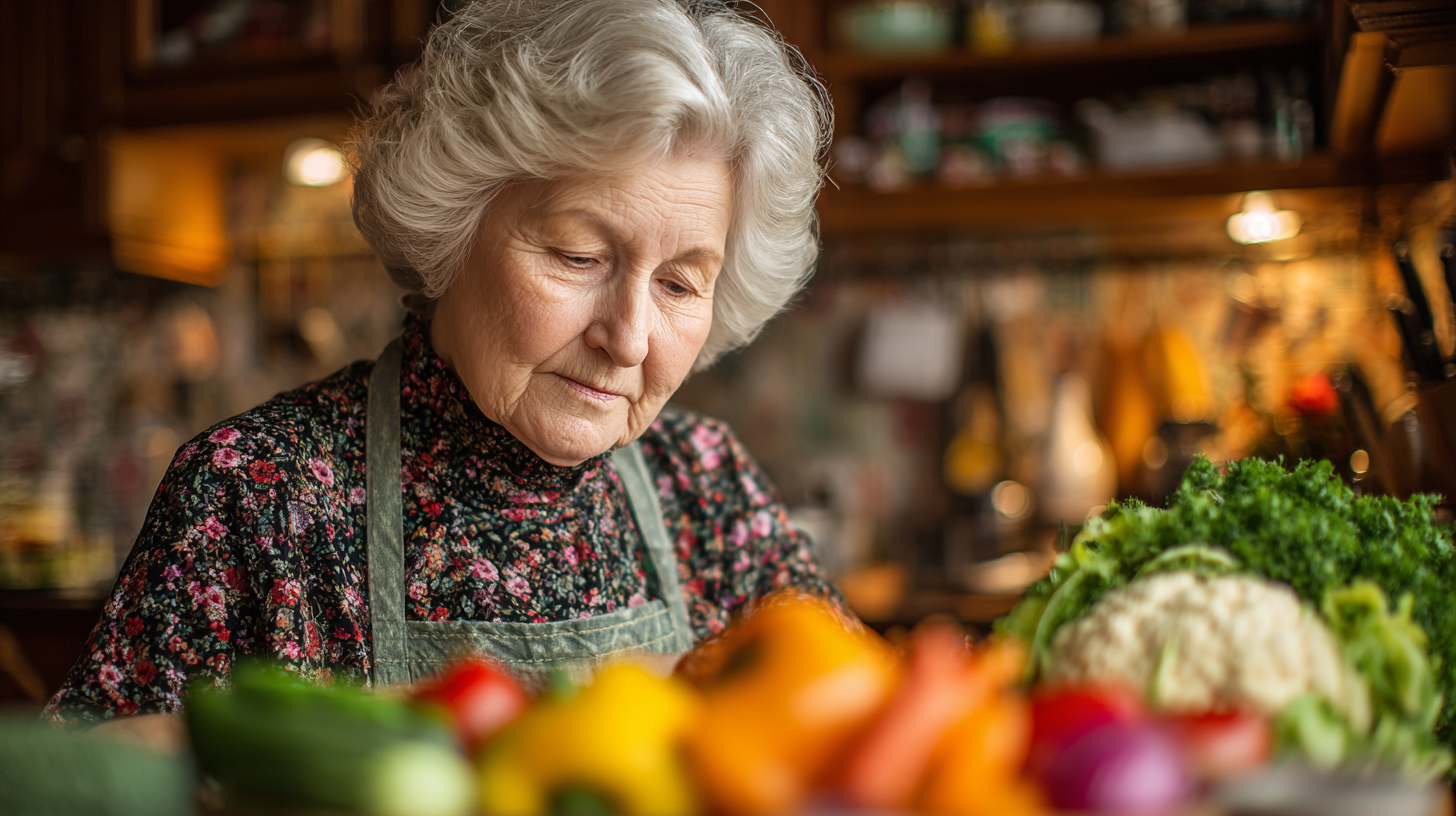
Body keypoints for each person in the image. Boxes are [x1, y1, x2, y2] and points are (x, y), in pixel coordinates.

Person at [46, 0, 838, 727]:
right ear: (452, 227)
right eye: (579, 255)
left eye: (678, 283)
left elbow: (861, 738)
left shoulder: (705, 486)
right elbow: (89, 786)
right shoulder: (254, 497)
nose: (629, 339)